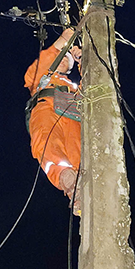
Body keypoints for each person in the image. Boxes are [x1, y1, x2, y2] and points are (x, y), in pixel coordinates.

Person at [24, 28, 82, 206]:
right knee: (48, 141)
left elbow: (93, 87)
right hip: (47, 107)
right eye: (62, 57)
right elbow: (54, 50)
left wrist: (82, 59)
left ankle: (79, 191)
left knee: (78, 151)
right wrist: (68, 39)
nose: (65, 60)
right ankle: (65, 178)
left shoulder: (73, 86)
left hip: (73, 115)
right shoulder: (43, 75)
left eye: (68, 60)